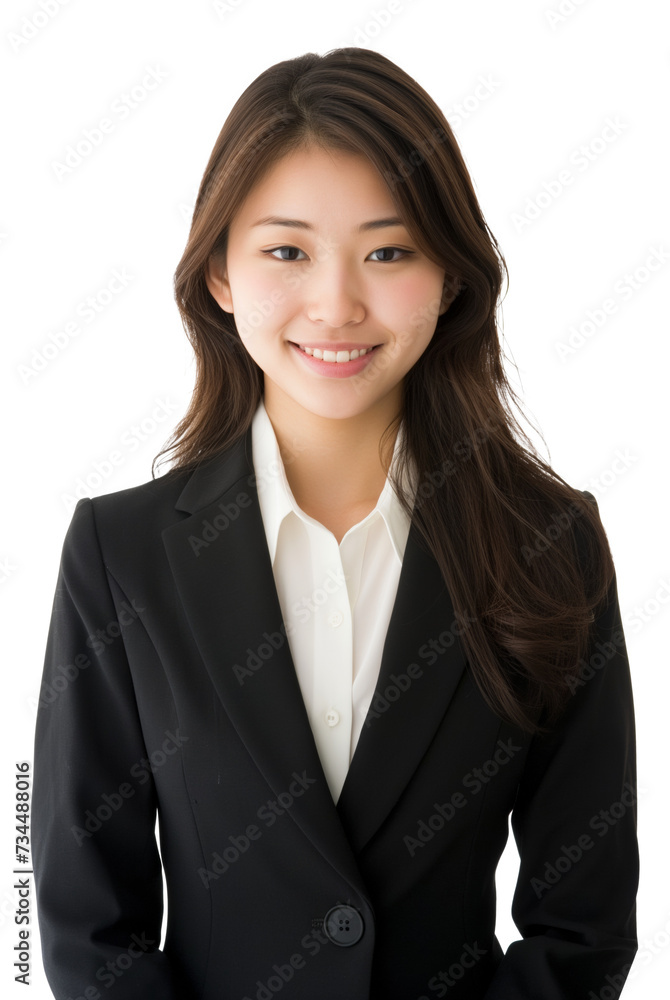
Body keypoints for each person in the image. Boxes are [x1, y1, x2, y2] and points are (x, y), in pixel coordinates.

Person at [31, 47, 638, 999]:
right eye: (287, 251)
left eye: (388, 251)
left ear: (450, 276)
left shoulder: (549, 542)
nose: (337, 304)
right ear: (220, 277)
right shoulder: (122, 554)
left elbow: (584, 925)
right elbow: (81, 923)